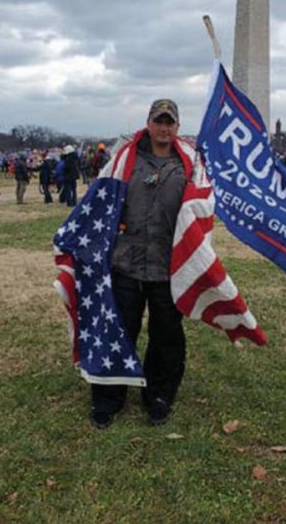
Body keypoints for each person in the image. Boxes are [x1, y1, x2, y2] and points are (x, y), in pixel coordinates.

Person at [90, 99, 188, 429]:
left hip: (168, 265)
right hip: (126, 262)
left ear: (177, 127)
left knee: (167, 335)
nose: (163, 127)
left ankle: (159, 395)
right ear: (148, 123)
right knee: (118, 330)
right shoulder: (123, 160)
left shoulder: (190, 164)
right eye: (158, 121)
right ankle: (108, 397)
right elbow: (100, 202)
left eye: (169, 122)